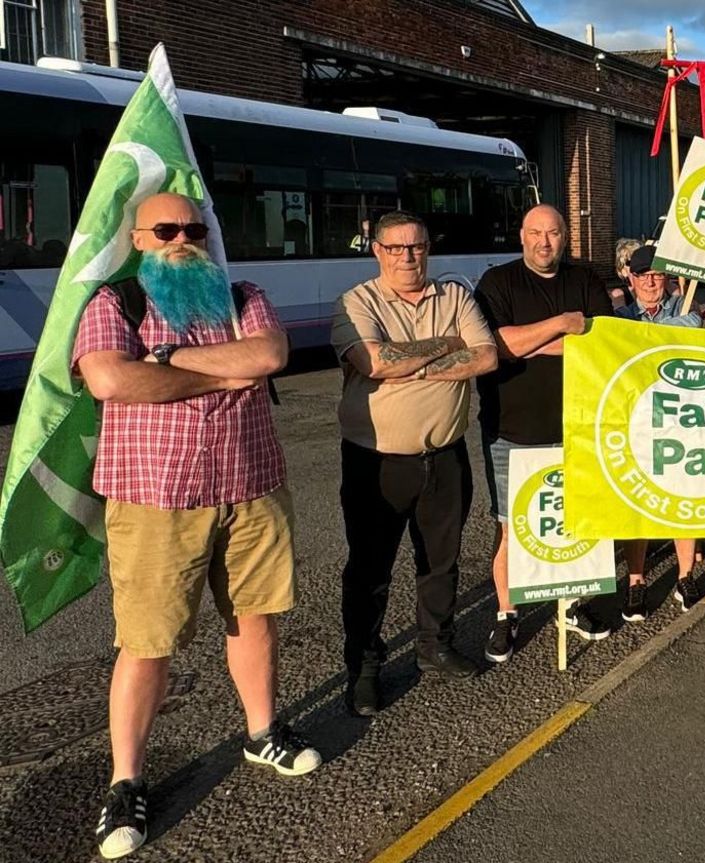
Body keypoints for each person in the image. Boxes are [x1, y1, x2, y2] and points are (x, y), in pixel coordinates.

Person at [73, 193, 320, 859]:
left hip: (251, 487)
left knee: (257, 615)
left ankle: (262, 729)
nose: (183, 237)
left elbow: (268, 355)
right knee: (147, 640)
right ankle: (127, 781)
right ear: (140, 239)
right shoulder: (114, 303)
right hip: (157, 498)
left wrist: (168, 362)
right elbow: (106, 378)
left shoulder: (243, 296)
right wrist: (218, 373)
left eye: (194, 227)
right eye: (166, 229)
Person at [331, 210, 498, 715]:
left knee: (441, 562)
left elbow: (487, 356)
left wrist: (411, 362)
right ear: (377, 251)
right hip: (377, 461)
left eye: (417, 246)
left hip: (445, 456)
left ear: (428, 248)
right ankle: (363, 668)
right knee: (369, 570)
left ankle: (435, 645)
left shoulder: (454, 296)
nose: (408, 256)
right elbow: (376, 363)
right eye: (397, 248)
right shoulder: (354, 302)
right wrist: (449, 345)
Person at [475, 204, 616, 653]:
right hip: (511, 429)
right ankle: (506, 613)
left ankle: (572, 604)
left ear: (566, 237)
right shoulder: (498, 283)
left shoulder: (586, 281)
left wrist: (528, 342)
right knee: (512, 526)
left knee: (575, 524)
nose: (544, 242)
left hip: (579, 427)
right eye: (536, 233)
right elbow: (495, 344)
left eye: (553, 233)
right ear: (522, 236)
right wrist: (560, 325)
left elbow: (600, 341)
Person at [614, 243, 705, 621]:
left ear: (667, 277)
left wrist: (651, 334)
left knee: (681, 499)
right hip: (636, 422)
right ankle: (636, 580)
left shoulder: (685, 308)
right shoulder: (619, 315)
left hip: (679, 419)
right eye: (643, 275)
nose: (651, 281)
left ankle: (685, 576)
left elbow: (695, 326)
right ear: (631, 279)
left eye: (657, 274)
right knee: (641, 506)